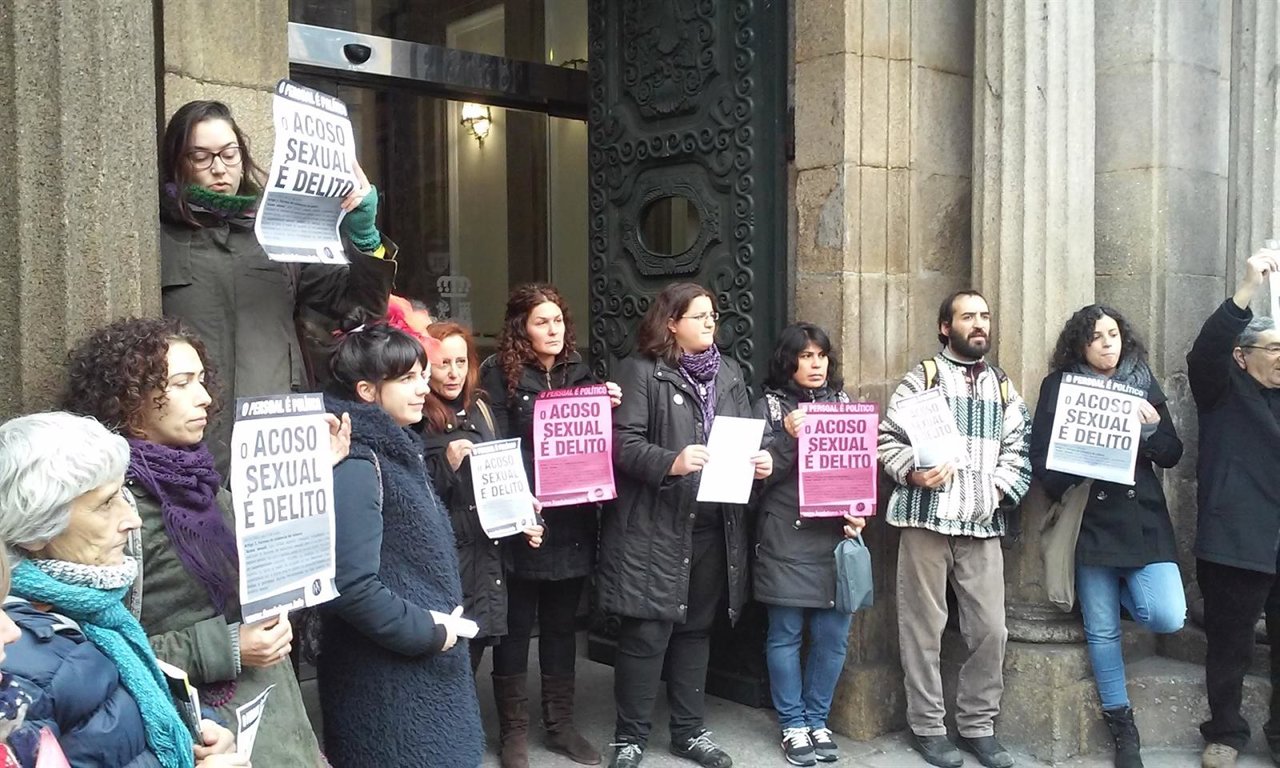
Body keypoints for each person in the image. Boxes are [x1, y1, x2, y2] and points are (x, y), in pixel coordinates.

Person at [62, 317, 328, 767]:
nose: (204, 397)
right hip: (201, 733)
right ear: (129, 400)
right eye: (182, 384)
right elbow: (97, 648)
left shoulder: (205, 484)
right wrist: (226, 647)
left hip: (278, 720)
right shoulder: (111, 509)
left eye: (201, 380)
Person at [159, 99, 397, 477]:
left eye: (229, 153)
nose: (219, 168)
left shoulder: (280, 232)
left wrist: (365, 237)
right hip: (186, 446)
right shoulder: (159, 235)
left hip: (275, 444)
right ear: (178, 162)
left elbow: (358, 309)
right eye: (200, 157)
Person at [0, 412, 244, 768]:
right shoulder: (18, 662)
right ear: (38, 529)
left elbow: (126, 713)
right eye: (105, 504)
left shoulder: (92, 610)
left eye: (122, 496)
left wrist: (200, 728)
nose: (131, 520)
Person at [599, 282, 772, 768]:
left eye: (713, 315)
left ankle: (689, 733)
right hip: (656, 527)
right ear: (671, 322)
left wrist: (760, 463)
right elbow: (622, 444)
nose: (709, 322)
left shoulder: (730, 374)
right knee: (647, 634)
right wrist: (671, 462)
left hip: (715, 526)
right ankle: (629, 737)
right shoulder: (640, 373)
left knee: (696, 632)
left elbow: (747, 435)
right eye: (699, 316)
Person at [877, 290, 1031, 768]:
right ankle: (926, 727)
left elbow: (1019, 450)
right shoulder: (920, 379)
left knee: (992, 630)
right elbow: (886, 440)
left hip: (981, 526)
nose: (979, 324)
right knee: (921, 629)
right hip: (924, 518)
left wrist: (995, 494)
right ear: (946, 327)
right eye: (968, 317)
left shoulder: (1003, 387)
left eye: (984, 315)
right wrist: (913, 472)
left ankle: (977, 726)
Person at [319, 322, 484, 767]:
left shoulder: (393, 447)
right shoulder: (359, 461)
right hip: (391, 683)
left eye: (421, 375)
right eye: (407, 379)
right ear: (367, 391)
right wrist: (428, 634)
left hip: (418, 668)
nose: (422, 388)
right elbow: (351, 585)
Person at [1029, 305, 1185, 768]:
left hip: (1144, 520)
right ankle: (1124, 732)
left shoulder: (1142, 381)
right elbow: (1042, 458)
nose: (1107, 343)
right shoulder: (1060, 386)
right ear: (1080, 345)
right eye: (1096, 337)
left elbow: (1172, 452)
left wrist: (1150, 427)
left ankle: (1123, 590)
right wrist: (1078, 459)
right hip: (1091, 521)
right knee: (1101, 633)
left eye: (1113, 334)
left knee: (1166, 614)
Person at [479, 284, 620, 768]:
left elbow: (594, 444)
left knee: (562, 625)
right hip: (523, 516)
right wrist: (521, 501)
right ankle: (513, 733)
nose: (553, 329)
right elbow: (494, 445)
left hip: (572, 516)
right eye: (541, 321)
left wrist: (606, 403)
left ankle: (561, 725)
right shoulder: (497, 376)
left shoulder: (580, 371)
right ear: (521, 327)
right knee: (516, 626)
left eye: (558, 319)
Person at [752, 323, 867, 767]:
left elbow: (858, 473)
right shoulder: (768, 406)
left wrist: (859, 511)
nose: (815, 364)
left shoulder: (844, 405)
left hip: (835, 536)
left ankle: (818, 718)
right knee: (785, 632)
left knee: (833, 636)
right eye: (805, 356)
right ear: (788, 361)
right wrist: (786, 437)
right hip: (785, 532)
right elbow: (756, 477)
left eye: (821, 356)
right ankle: (792, 724)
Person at [1186, 247, 1280, 768]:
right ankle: (1225, 732)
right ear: (1244, 356)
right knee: (1229, 651)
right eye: (1274, 348)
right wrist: (1247, 289)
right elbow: (1206, 351)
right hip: (1234, 545)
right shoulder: (1221, 388)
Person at [419, 320, 543, 680]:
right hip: (445, 561)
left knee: (468, 664)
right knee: (443, 671)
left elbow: (507, 475)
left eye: (462, 362)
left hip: (485, 558)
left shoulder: (481, 408)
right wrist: (447, 463)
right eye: (444, 364)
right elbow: (410, 497)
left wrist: (529, 516)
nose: (454, 373)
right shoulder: (413, 415)